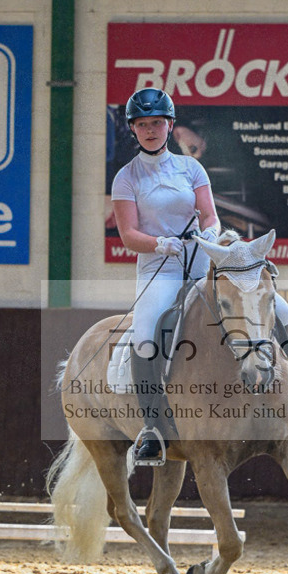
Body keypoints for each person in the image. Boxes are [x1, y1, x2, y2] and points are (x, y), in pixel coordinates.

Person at [110, 88, 221, 463]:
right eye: (143, 124)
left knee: (268, 308)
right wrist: (161, 244)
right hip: (160, 268)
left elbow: (208, 213)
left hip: (201, 262)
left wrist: (210, 232)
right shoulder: (126, 178)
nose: (151, 130)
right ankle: (153, 428)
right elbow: (128, 236)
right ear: (134, 130)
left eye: (157, 122)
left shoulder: (192, 168)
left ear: (170, 125)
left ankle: (277, 404)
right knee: (145, 335)